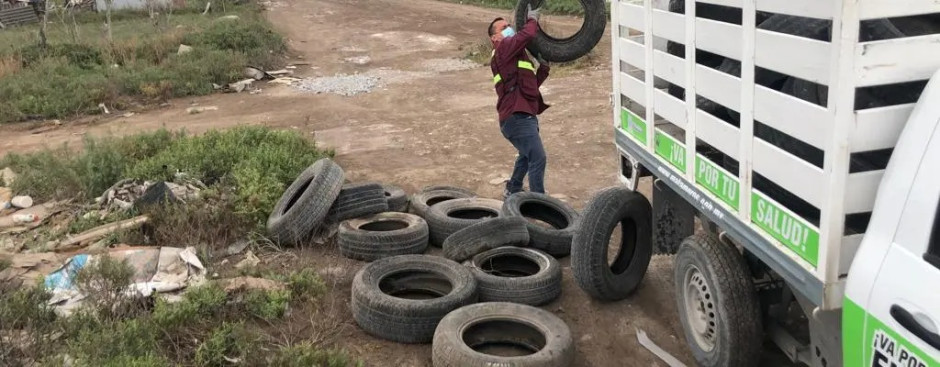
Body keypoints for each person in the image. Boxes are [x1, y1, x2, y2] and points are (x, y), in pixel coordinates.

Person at [488, 5, 550, 198]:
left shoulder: (514, 54)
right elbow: (527, 35)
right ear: (494, 38)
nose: (509, 28)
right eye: (504, 27)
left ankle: (513, 188)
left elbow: (528, 86)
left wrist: (543, 69)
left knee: (526, 155)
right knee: (537, 157)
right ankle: (540, 204)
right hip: (517, 117)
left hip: (520, 113)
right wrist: (532, 19)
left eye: (509, 25)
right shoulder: (503, 48)